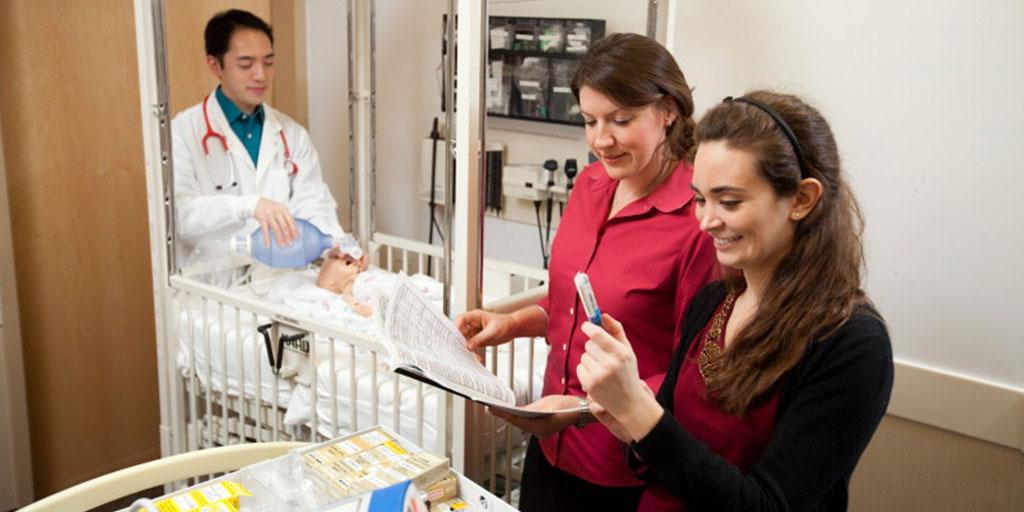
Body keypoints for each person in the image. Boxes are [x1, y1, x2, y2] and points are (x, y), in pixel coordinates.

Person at [577, 91, 894, 511]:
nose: (706, 221)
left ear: (802, 199)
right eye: (699, 199)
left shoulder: (851, 344)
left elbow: (766, 505)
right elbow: (667, 456)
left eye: (729, 202)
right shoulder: (713, 304)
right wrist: (629, 423)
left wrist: (641, 415)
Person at [455, 33, 718, 511]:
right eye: (590, 121)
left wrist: (580, 411)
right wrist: (510, 324)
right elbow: (572, 306)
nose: (601, 140)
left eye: (621, 120)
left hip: (622, 466)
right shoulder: (591, 184)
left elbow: (693, 374)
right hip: (550, 447)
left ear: (668, 110)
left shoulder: (697, 223)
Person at [172, 9, 365, 281]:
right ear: (215, 66)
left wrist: (333, 244)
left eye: (269, 62)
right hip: (214, 293)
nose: (261, 75)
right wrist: (247, 206)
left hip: (279, 286)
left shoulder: (292, 135)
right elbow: (182, 216)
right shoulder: (182, 132)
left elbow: (313, 202)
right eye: (246, 64)